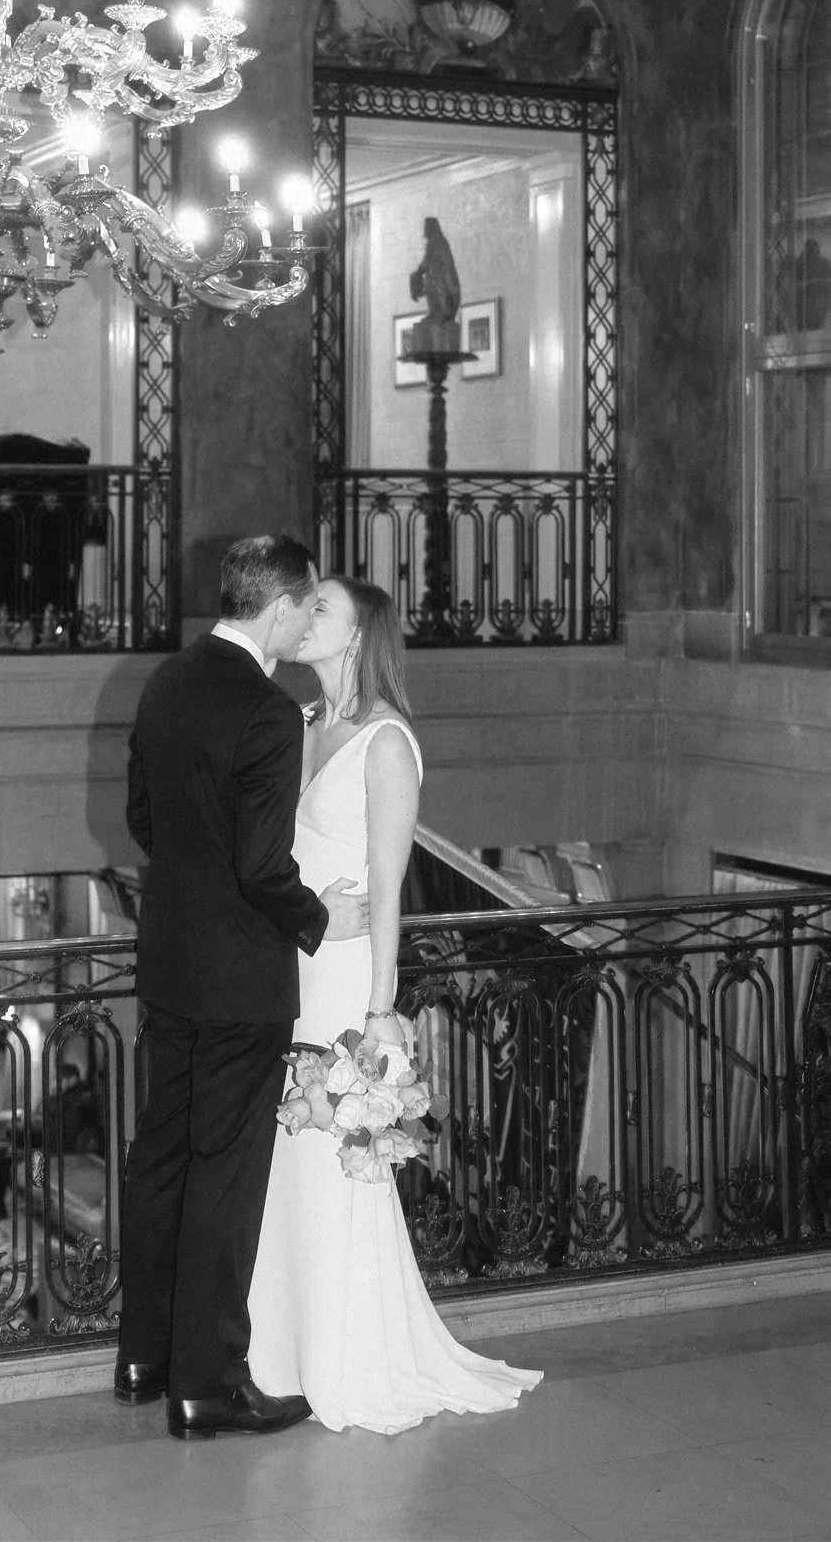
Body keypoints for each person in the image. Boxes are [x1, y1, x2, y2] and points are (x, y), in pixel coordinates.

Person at [248, 575, 543, 1432]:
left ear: (358, 633)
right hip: (288, 972)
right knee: (285, 1160)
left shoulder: (385, 742)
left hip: (342, 984)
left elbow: (388, 888)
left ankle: (345, 1355)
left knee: (339, 1159)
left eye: (322, 610)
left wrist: (378, 1015)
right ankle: (278, 1350)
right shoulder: (299, 723)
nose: (304, 619)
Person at [116, 535, 370, 1441]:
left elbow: (143, 819)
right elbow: (265, 868)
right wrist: (318, 920)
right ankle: (208, 1384)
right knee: (223, 1180)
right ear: (279, 607)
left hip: (171, 963)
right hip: (239, 981)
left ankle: (143, 1358)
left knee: (162, 1160)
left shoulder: (166, 682)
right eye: (306, 608)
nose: (308, 623)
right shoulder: (264, 713)